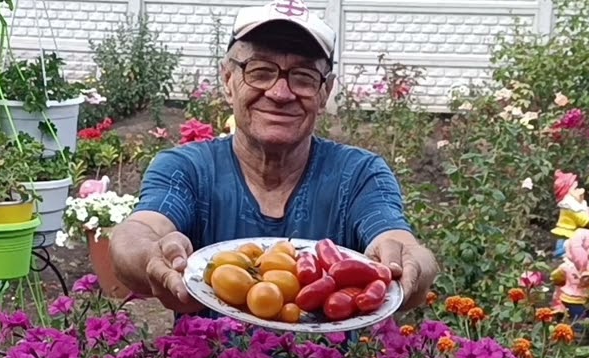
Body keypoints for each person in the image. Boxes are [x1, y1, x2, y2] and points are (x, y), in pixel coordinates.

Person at [109, 1, 438, 315]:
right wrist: (152, 256)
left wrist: (408, 263)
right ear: (228, 80)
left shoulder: (358, 175)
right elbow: (138, 232)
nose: (280, 93)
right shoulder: (187, 169)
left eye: (304, 77)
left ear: (325, 92)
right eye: (260, 71)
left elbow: (397, 241)